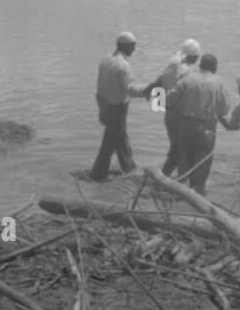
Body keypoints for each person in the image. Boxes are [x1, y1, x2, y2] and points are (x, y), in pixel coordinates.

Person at [164, 54, 231, 195]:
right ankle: (198, 194)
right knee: (203, 162)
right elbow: (225, 109)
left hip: (186, 126)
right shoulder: (218, 83)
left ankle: (181, 194)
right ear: (215, 68)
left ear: (200, 66)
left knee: (185, 161)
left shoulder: (187, 79)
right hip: (207, 129)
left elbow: (170, 100)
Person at [91, 32, 150, 181]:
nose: (135, 49)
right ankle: (97, 176)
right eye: (133, 46)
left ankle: (130, 170)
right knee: (109, 145)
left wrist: (101, 109)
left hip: (105, 104)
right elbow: (129, 89)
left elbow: (99, 87)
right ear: (127, 46)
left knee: (121, 141)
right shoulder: (123, 65)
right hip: (118, 109)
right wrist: (149, 90)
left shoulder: (106, 59)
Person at [150, 39, 201, 176]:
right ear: (193, 56)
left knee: (175, 150)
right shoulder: (187, 72)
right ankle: (181, 183)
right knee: (183, 151)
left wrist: (159, 105)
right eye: (197, 55)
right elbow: (186, 95)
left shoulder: (171, 65)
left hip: (169, 114)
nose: (198, 58)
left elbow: (158, 84)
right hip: (180, 116)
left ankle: (163, 178)